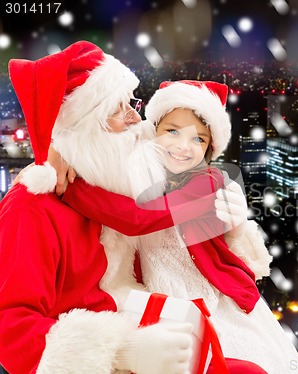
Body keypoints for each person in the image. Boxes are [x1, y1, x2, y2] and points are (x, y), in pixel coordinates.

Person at [0, 42, 248, 373]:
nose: (135, 118)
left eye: (131, 104)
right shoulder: (32, 206)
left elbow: (163, 142)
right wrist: (120, 353)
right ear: (85, 125)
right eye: (118, 110)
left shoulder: (118, 181)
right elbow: (10, 328)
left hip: (152, 327)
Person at [59, 80, 298, 374]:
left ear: (209, 149)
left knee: (240, 361)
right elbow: (101, 145)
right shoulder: (140, 170)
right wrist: (61, 152)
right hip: (165, 300)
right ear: (153, 132)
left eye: (199, 139)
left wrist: (71, 189)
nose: (183, 146)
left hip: (215, 301)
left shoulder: (208, 182)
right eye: (172, 131)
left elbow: (138, 219)